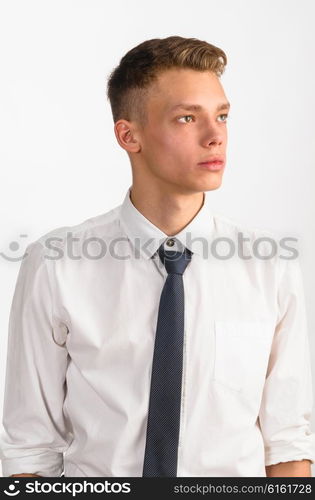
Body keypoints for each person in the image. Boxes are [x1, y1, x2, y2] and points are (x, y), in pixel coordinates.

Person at [1, 35, 314, 478]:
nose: (215, 136)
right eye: (187, 117)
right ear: (129, 135)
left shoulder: (269, 266)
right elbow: (29, 449)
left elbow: (287, 443)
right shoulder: (56, 263)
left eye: (222, 116)